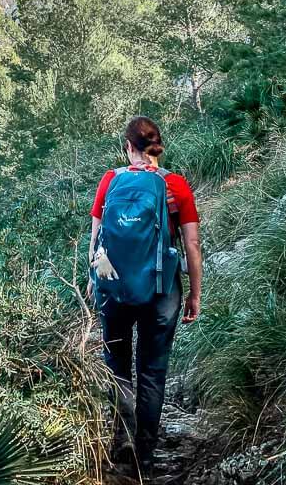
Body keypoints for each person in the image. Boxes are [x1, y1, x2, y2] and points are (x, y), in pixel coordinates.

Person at [87, 115, 202, 475]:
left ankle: (122, 441)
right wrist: (194, 293)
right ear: (156, 147)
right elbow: (192, 244)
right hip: (161, 290)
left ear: (127, 147)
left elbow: (96, 240)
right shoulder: (175, 186)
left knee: (117, 364)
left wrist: (94, 278)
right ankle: (146, 454)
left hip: (115, 286)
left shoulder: (111, 180)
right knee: (152, 371)